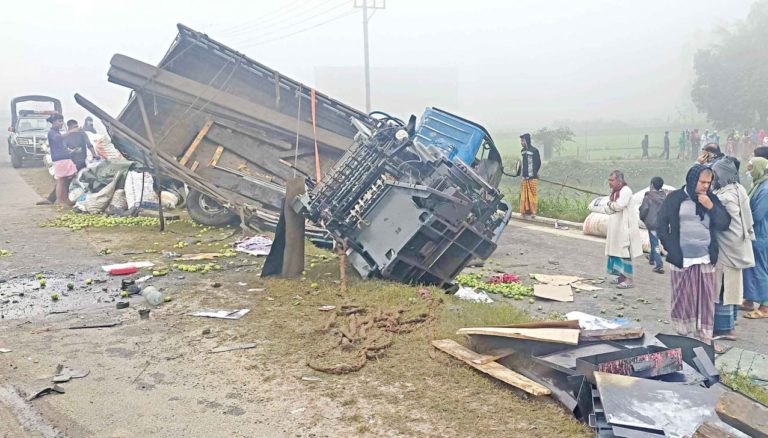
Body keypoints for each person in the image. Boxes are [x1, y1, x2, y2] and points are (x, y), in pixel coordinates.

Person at [657, 164, 731, 343]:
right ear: (692, 180)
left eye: (708, 182)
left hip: (705, 258)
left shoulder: (711, 199)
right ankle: (683, 334)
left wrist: (711, 206)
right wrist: (669, 246)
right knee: (682, 297)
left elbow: (724, 223)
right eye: (702, 182)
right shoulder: (675, 198)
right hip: (682, 258)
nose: (705, 186)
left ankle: (703, 336)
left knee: (705, 300)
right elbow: (661, 222)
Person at [710, 157, 755, 341]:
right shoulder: (739, 188)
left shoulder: (724, 195)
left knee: (722, 288)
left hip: (728, 246)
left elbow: (721, 221)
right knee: (733, 287)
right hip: (739, 244)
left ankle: (724, 329)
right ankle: (729, 324)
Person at [589, 170, 643, 289]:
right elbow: (608, 208)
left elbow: (618, 206)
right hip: (615, 226)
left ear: (620, 181)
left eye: (612, 180)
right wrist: (610, 206)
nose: (610, 182)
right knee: (616, 251)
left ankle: (629, 279)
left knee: (624, 252)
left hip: (625, 227)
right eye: (609, 180)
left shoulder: (626, 191)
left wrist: (610, 205)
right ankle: (621, 276)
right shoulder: (614, 192)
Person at [742, 157, 768, 319]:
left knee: (760, 269)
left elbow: (757, 214)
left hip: (760, 234)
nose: (749, 172)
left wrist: (740, 217)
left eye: (751, 168)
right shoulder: (757, 185)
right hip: (753, 234)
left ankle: (765, 306)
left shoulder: (765, 190)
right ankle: (749, 300)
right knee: (749, 268)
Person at [47, 114, 77, 208]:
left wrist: (70, 151)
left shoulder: (57, 132)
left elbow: (60, 145)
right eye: (59, 121)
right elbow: (58, 139)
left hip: (64, 157)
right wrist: (71, 132)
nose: (61, 123)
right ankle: (60, 201)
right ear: (53, 122)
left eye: (62, 121)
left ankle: (65, 199)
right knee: (61, 180)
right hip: (60, 159)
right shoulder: (52, 132)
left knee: (66, 179)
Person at [639, 177, 667, 274]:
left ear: (651, 185)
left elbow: (644, 210)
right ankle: (651, 258)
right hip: (663, 224)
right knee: (654, 241)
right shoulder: (665, 197)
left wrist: (643, 218)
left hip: (653, 224)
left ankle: (659, 265)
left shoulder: (648, 197)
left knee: (655, 243)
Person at [518, 133, 541, 217]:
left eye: (522, 140)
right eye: (521, 141)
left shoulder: (534, 151)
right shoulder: (523, 151)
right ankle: (525, 211)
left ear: (526, 141)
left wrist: (535, 173)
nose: (521, 142)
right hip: (525, 177)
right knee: (525, 195)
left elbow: (538, 163)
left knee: (533, 195)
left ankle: (533, 212)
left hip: (532, 178)